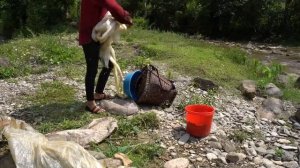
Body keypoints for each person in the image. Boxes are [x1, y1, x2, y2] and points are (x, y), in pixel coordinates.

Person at [79, 0, 133, 113]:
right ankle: (90, 102)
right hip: (89, 36)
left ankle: (98, 93)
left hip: (98, 33)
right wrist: (126, 18)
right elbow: (113, 7)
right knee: (92, 69)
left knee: (109, 64)